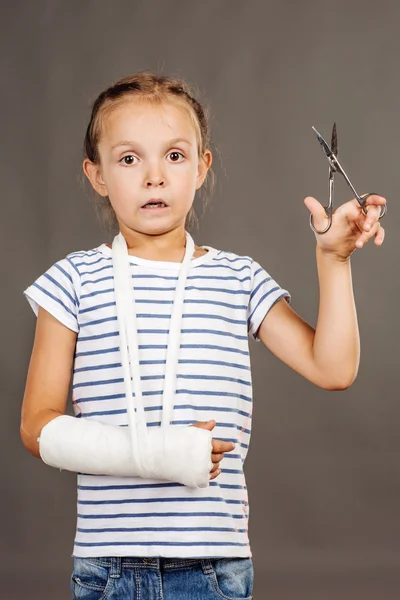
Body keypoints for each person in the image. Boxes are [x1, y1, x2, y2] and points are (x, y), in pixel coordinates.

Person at [20, 71, 386, 600]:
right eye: (129, 159)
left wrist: (332, 259)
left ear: (201, 167)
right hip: (109, 566)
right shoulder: (72, 280)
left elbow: (333, 369)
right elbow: (38, 427)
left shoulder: (238, 278)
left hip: (214, 564)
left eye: (174, 156)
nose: (154, 177)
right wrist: (159, 454)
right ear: (96, 174)